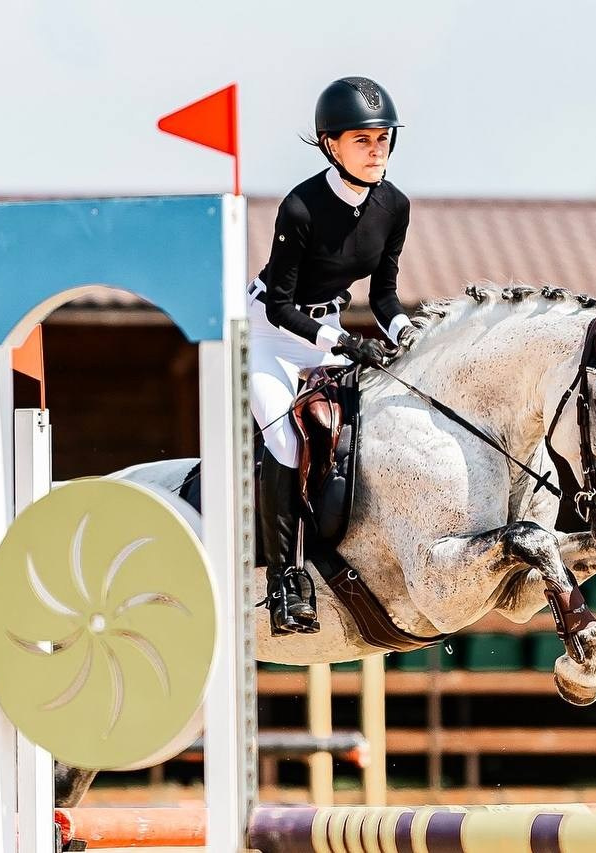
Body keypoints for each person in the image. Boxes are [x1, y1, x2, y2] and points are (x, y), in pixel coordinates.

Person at [250, 76, 419, 636]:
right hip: (271, 335)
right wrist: (342, 343)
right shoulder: (300, 207)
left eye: (383, 139)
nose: (376, 151)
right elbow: (279, 306)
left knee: (371, 426)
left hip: (327, 330)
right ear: (331, 144)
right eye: (362, 141)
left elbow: (385, 297)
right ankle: (284, 582)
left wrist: (406, 332)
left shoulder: (394, 206)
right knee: (285, 437)